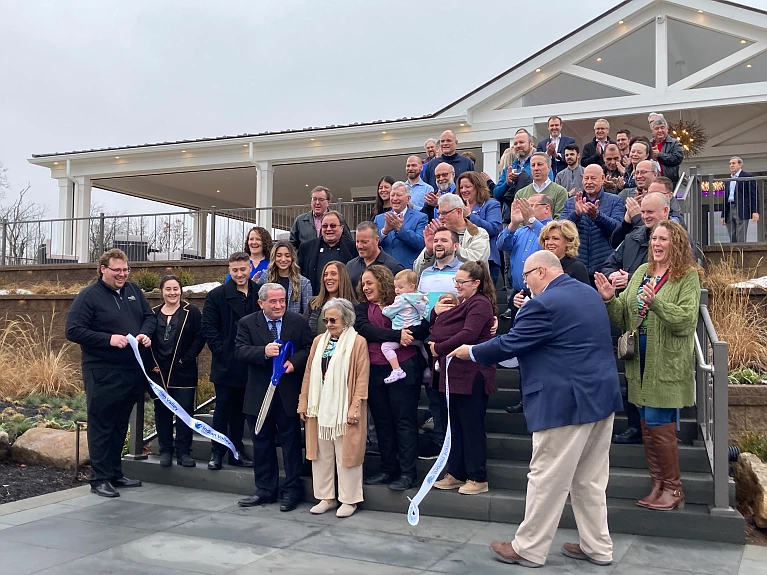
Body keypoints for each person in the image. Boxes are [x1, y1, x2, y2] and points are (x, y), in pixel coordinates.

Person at [449, 250, 623, 568]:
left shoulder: (543, 305)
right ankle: (598, 547)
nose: (525, 285)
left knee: (546, 476)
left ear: (541, 271)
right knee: (590, 479)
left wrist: (471, 351)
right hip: (601, 397)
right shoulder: (588, 293)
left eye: (526, 277)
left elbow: (510, 343)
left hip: (564, 403)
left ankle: (529, 548)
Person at [595, 220, 702, 511]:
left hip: (666, 364)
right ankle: (658, 484)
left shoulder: (687, 276)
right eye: (654, 238)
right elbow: (624, 316)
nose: (656, 243)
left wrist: (657, 304)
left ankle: (674, 489)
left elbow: (686, 320)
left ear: (676, 244)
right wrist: (608, 300)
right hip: (638, 364)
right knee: (645, 423)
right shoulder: (642, 272)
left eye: (663, 239)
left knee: (658, 421)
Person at [65, 249, 156, 498]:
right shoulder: (88, 297)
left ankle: (116, 472)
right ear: (103, 269)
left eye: (126, 270)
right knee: (102, 425)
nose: (122, 275)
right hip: (103, 371)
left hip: (131, 371)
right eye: (117, 270)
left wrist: (145, 333)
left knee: (119, 425)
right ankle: (99, 478)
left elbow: (150, 317)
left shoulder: (134, 292)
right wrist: (108, 339)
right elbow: (73, 330)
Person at [235, 283, 313, 512]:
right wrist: (263, 352)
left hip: (287, 395)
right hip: (259, 396)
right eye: (273, 302)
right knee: (261, 444)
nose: (279, 305)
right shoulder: (247, 323)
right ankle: (265, 490)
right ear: (261, 303)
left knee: (290, 444)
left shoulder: (297, 322)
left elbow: (309, 348)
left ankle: (291, 491)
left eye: (282, 301)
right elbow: (239, 351)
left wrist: (294, 363)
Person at [356, 265, 429, 491]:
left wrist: (410, 334)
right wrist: (396, 335)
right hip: (374, 370)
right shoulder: (362, 309)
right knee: (382, 422)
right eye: (364, 284)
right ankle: (388, 469)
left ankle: (408, 473)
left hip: (404, 367)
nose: (365, 287)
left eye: (370, 283)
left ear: (382, 281)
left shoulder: (403, 300)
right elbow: (365, 329)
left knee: (404, 421)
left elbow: (423, 325)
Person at [298, 298, 370, 518]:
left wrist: (355, 406)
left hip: (345, 408)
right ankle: (326, 497)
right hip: (319, 406)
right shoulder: (318, 340)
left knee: (347, 454)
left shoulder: (358, 342)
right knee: (320, 454)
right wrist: (303, 401)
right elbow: (309, 372)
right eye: (326, 319)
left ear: (346, 320)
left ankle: (349, 500)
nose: (328, 323)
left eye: (333, 319)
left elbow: (361, 377)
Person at [431, 261, 497, 495]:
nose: (457, 285)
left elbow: (468, 334)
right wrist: (434, 313)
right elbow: (438, 325)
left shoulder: (480, 304)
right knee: (455, 427)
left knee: (471, 427)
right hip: (453, 376)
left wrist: (438, 347)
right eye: (455, 281)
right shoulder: (463, 303)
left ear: (476, 283)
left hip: (472, 375)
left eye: (462, 282)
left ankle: (478, 477)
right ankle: (457, 473)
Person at [201, 252, 258, 471]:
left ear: (250, 268)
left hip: (250, 362)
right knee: (222, 409)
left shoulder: (257, 294)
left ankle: (236, 451)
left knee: (240, 412)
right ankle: (217, 451)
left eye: (243, 269)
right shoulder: (217, 295)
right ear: (229, 270)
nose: (239, 274)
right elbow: (208, 328)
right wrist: (222, 351)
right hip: (226, 364)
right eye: (235, 270)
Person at [147, 275, 205, 468]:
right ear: (161, 291)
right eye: (168, 289)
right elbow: (145, 339)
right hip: (159, 371)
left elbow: (200, 337)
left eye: (175, 289)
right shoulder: (153, 313)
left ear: (181, 290)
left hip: (183, 370)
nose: (172, 293)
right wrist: (150, 364)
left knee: (184, 413)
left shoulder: (192, 312)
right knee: (162, 411)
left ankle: (183, 452)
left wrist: (186, 359)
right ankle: (165, 450)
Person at [561, 165, 626, 281]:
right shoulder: (571, 203)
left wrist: (597, 216)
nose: (589, 182)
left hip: (604, 266)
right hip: (576, 266)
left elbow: (618, 230)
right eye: (586, 178)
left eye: (593, 178)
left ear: (602, 178)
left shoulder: (614, 200)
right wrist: (576, 214)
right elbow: (560, 230)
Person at [497, 195, 553, 320]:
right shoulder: (521, 230)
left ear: (547, 208)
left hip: (543, 294)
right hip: (519, 294)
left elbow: (549, 238)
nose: (526, 209)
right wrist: (513, 224)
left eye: (531, 206)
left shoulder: (554, 228)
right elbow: (501, 245)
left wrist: (532, 220)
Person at [381, 270, 429, 384]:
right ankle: (430, 366)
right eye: (396, 287)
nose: (397, 290)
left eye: (400, 287)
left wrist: (385, 309)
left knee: (386, 347)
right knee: (421, 346)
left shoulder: (402, 299)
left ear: (412, 287)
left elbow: (388, 312)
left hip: (403, 331)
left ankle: (397, 370)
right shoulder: (420, 298)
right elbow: (425, 312)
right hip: (415, 330)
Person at [419, 194, 491, 270]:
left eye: (444, 213)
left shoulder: (478, 233)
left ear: (459, 212)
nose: (440, 217)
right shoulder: (438, 235)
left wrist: (452, 244)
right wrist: (428, 252)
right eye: (439, 213)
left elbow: (477, 262)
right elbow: (417, 270)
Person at [456, 171, 503, 283]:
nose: (463, 190)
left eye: (468, 187)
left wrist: (470, 216)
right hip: (461, 260)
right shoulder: (457, 207)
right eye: (461, 187)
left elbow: (493, 229)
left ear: (477, 187)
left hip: (486, 261)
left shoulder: (491, 204)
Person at [298, 210, 358, 295]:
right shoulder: (306, 248)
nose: (329, 229)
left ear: (341, 228)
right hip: (315, 300)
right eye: (325, 226)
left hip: (344, 300)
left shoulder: (353, 248)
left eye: (333, 226)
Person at [374, 181, 428, 270]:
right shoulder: (379, 219)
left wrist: (400, 229)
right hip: (384, 271)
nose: (395, 199)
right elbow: (372, 243)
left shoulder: (420, 217)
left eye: (398, 195)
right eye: (392, 195)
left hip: (407, 270)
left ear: (408, 198)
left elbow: (421, 243)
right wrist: (385, 231)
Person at [257, 241, 312, 315]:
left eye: (287, 256)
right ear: (274, 257)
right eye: (279, 255)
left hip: (293, 324)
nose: (283, 259)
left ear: (292, 258)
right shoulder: (265, 277)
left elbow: (307, 313)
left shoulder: (304, 282)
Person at [304, 261, 358, 336]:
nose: (328, 278)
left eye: (333, 274)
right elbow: (304, 331)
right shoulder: (313, 303)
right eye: (325, 275)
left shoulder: (354, 306)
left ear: (343, 278)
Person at [290, 186, 350, 251]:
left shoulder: (338, 219)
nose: (317, 203)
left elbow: (347, 241)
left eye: (321, 199)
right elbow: (292, 245)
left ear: (328, 202)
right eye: (314, 199)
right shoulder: (300, 221)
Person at [346, 221, 404, 288]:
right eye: (357, 241)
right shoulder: (350, 266)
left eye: (364, 242)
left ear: (376, 240)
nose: (360, 246)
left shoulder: (393, 267)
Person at [512, 152, 568, 217]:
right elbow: (518, 220)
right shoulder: (520, 194)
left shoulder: (560, 192)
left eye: (539, 164)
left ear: (549, 167)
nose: (536, 168)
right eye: (533, 165)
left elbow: (559, 220)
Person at [538, 220, 589, 284]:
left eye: (555, 238)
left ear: (569, 241)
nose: (549, 243)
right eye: (547, 239)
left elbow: (584, 293)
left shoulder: (577, 268)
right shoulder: (540, 267)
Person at [722, 156, 759, 243]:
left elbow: (754, 194)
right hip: (729, 208)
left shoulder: (747, 176)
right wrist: (723, 215)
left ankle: (741, 254)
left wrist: (755, 211)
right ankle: (733, 254)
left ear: (740, 165)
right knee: (732, 234)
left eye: (734, 163)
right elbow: (725, 197)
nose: (731, 165)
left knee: (741, 235)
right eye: (730, 164)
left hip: (741, 207)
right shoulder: (728, 179)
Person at [650, 117, 684, 186]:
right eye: (657, 128)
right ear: (653, 132)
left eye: (662, 127)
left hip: (669, 183)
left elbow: (677, 159)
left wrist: (659, 155)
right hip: (651, 183)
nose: (660, 130)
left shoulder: (675, 143)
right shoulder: (648, 144)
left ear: (667, 129)